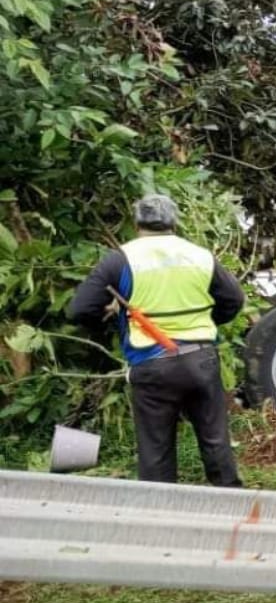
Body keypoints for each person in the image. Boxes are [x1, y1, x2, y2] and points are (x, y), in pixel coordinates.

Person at [68, 195, 244, 487]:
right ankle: (233, 506)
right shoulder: (199, 255)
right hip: (201, 360)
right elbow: (233, 300)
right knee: (215, 441)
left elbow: (79, 309)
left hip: (152, 364)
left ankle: (159, 517)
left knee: (156, 451)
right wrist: (204, 325)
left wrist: (113, 322)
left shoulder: (120, 259)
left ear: (136, 222)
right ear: (174, 221)